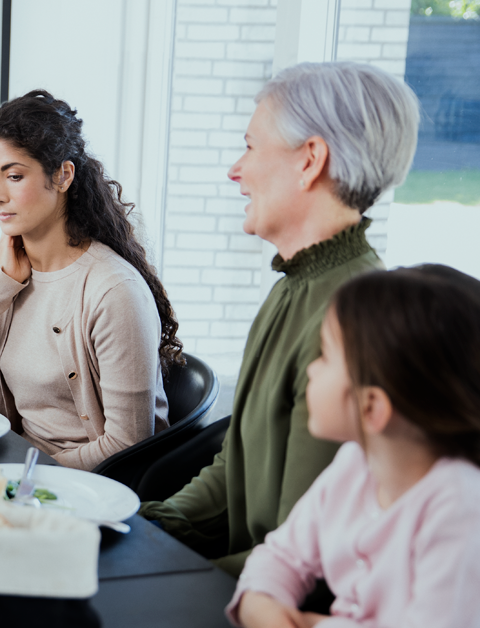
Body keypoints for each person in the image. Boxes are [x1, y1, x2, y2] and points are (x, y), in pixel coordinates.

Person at [139, 62, 421, 576]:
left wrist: (159, 571)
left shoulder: (355, 321)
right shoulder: (293, 286)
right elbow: (236, 468)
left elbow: (310, 557)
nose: (235, 170)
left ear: (310, 160)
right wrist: (145, 529)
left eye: (250, 146)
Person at [0, 90, 181, 471]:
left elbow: (127, 443)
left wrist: (21, 476)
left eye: (14, 176)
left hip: (79, 485)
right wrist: (1, 288)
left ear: (62, 175)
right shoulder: (9, 269)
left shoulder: (113, 290)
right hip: (19, 466)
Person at [228, 265, 480, 628]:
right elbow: (282, 555)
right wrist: (261, 602)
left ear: (372, 406)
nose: (311, 369)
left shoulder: (458, 507)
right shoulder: (356, 463)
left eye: (325, 356)